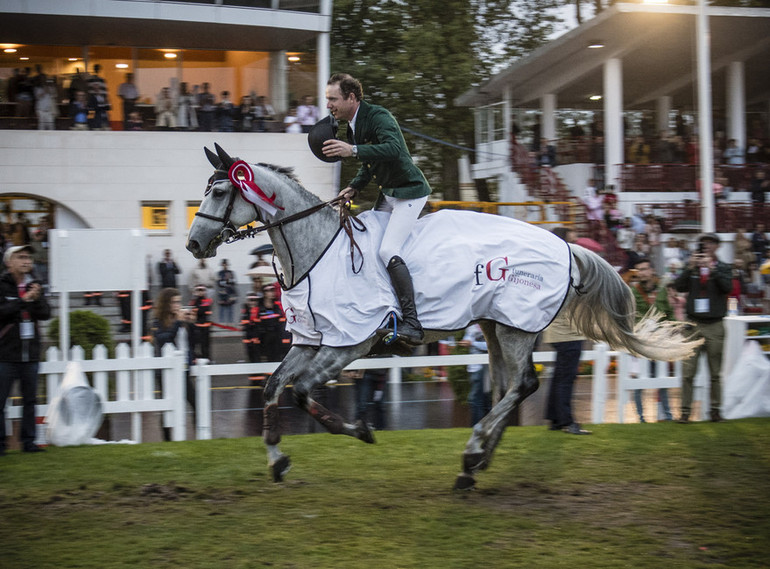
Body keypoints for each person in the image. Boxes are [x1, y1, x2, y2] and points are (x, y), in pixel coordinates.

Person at [321, 72, 431, 345]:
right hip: (390, 193)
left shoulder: (379, 116)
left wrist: (353, 151)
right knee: (368, 244)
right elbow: (372, 165)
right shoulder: (354, 124)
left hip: (409, 194)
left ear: (351, 98)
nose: (328, 105)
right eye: (327, 100)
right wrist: (355, 187)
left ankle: (413, 324)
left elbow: (393, 149)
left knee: (386, 249)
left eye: (332, 99)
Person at [673, 233, 732, 423]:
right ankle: (685, 412)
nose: (705, 247)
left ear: (717, 246)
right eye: (703, 244)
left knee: (715, 372)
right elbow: (678, 286)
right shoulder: (693, 267)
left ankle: (715, 410)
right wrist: (690, 267)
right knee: (688, 372)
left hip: (715, 324)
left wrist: (712, 269)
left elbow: (727, 287)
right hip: (693, 324)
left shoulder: (722, 267)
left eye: (710, 243)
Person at [0, 245, 51, 455]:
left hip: (30, 353)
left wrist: (37, 298)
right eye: (20, 257)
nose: (26, 261)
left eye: (28, 257)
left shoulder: (35, 285)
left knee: (30, 400)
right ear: (9, 262)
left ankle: (29, 442)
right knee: (0, 400)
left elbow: (46, 314)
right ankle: (1, 444)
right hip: (6, 353)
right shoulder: (2, 286)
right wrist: (23, 301)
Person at [543, 227, 591, 435]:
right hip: (568, 330)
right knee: (566, 377)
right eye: (573, 240)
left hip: (559, 330)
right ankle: (566, 421)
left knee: (559, 376)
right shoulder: (566, 266)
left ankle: (555, 418)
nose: (577, 243)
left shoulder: (554, 265)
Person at [628, 257, 673, 422]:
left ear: (652, 270)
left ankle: (667, 415)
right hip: (640, 344)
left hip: (659, 342)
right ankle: (641, 417)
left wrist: (676, 329)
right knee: (639, 383)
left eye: (645, 268)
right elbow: (629, 317)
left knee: (662, 380)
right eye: (639, 270)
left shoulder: (662, 291)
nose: (643, 272)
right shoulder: (633, 292)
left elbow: (669, 313)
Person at [150, 287, 195, 439]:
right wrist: (178, 323)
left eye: (179, 302)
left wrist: (191, 323)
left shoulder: (180, 320)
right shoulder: (158, 321)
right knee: (168, 407)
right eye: (174, 302)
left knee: (196, 402)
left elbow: (193, 342)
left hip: (183, 368)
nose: (178, 305)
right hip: (166, 372)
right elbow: (164, 339)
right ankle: (167, 439)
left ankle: (200, 436)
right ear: (166, 304)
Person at [460, 323, 490, 426]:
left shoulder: (488, 326)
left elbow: (489, 345)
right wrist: (466, 341)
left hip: (483, 367)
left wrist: (471, 343)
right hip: (473, 367)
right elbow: (468, 336)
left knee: (476, 400)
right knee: (482, 400)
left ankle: (477, 427)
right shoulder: (472, 325)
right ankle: (485, 426)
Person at [189, 284, 213, 362]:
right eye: (198, 290)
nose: (200, 292)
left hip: (205, 327)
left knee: (205, 346)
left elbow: (203, 310)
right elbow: (192, 311)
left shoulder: (207, 300)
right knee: (194, 345)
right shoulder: (193, 301)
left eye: (202, 290)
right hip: (195, 327)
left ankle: (207, 360)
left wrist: (197, 310)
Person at [216, 259, 237, 324]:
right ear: (222, 265)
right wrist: (227, 282)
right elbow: (218, 283)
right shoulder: (220, 273)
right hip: (222, 293)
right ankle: (221, 322)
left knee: (230, 308)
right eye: (223, 264)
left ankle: (230, 322)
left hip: (230, 292)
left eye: (226, 264)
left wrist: (225, 282)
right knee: (221, 308)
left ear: (227, 265)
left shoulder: (231, 272)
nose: (225, 265)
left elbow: (234, 282)